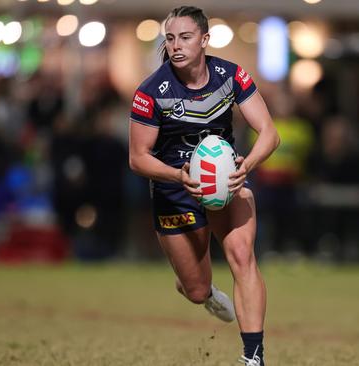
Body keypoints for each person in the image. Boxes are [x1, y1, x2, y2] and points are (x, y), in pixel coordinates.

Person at [128, 6, 279, 366]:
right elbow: (138, 158)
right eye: (170, 38)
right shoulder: (151, 91)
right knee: (194, 289)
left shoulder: (231, 75)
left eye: (185, 37)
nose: (176, 45)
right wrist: (179, 175)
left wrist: (247, 166)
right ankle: (204, 290)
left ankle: (253, 358)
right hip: (175, 190)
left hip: (227, 181)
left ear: (204, 40)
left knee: (243, 257)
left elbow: (270, 133)